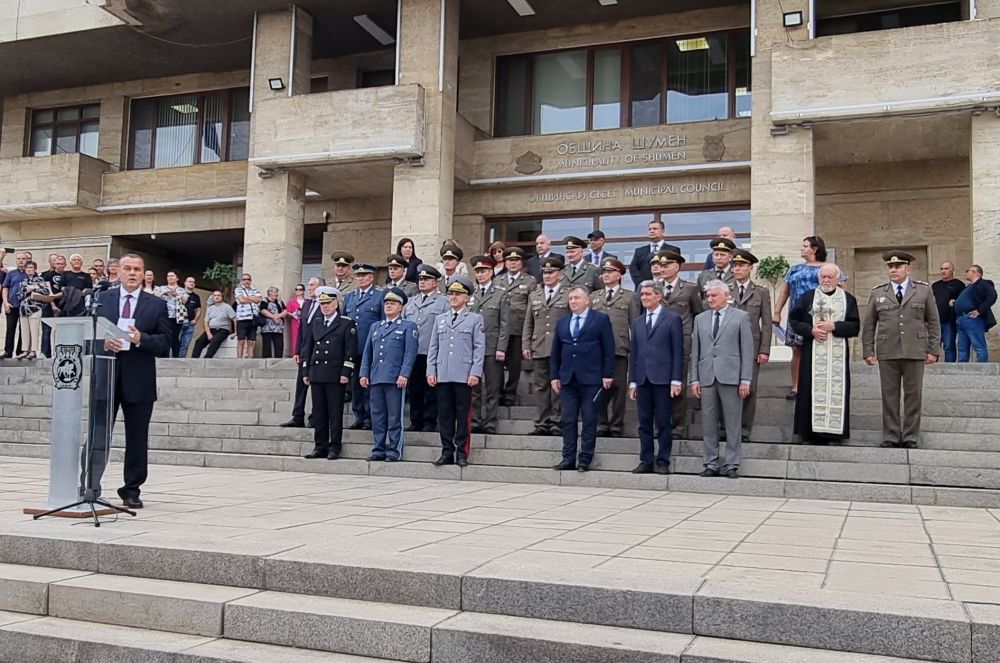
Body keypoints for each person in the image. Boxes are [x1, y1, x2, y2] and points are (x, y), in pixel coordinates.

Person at [94, 253, 172, 508]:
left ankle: (131, 489)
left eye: (137, 269)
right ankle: (90, 486)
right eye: (127, 268)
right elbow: (85, 332)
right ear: (118, 271)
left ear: (143, 273)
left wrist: (141, 339)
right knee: (97, 434)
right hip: (106, 376)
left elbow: (165, 342)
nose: (132, 273)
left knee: (137, 438)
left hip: (139, 380)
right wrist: (102, 342)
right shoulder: (101, 299)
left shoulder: (156, 304)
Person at [862, 251, 941, 449]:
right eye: (890, 267)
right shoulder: (879, 292)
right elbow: (870, 324)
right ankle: (891, 434)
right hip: (888, 349)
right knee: (889, 395)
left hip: (915, 349)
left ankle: (911, 436)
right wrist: (868, 350)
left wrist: (933, 350)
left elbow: (933, 321)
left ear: (908, 269)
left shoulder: (923, 291)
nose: (893, 270)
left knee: (913, 395)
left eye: (897, 267)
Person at [790, 263, 860, 445]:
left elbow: (855, 326)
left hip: (836, 356)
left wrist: (835, 326)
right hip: (812, 352)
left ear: (838, 278)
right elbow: (794, 320)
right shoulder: (807, 298)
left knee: (836, 391)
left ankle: (833, 434)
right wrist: (810, 330)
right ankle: (809, 433)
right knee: (809, 390)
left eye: (830, 277)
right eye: (823, 277)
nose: (826, 280)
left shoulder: (848, 299)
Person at [690, 280, 754, 479]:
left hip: (731, 376)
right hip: (707, 375)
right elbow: (696, 351)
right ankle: (710, 462)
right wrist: (694, 379)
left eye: (714, 296)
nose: (710, 300)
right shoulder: (700, 319)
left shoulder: (741, 317)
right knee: (708, 422)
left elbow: (747, 349)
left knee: (733, 422)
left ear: (726, 296)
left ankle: (732, 464)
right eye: (708, 296)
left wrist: (745, 379)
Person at [550, 286, 615, 472]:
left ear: (587, 300)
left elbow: (609, 349)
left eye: (577, 298)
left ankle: (585, 458)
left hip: (591, 378)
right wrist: (554, 375)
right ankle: (568, 458)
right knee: (568, 419)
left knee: (589, 419)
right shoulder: (562, 322)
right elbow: (556, 351)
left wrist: (607, 374)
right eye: (570, 298)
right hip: (568, 378)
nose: (573, 301)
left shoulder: (600, 319)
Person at [427, 276, 485, 467]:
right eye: (451, 293)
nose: (453, 297)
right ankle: (446, 451)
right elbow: (433, 347)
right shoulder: (440, 319)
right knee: (444, 415)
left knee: (462, 416)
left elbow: (479, 348)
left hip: (463, 374)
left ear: (466, 297)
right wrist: (431, 371)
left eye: (458, 294)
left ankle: (462, 452)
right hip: (443, 373)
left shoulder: (475, 319)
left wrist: (475, 372)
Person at [629, 281, 684, 474]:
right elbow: (634, 353)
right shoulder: (637, 322)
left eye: (648, 294)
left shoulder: (672, 319)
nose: (644, 297)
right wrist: (633, 381)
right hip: (643, 378)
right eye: (642, 294)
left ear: (658, 296)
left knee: (663, 421)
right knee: (644, 423)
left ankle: (662, 460)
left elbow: (678, 351)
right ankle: (645, 459)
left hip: (663, 379)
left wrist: (676, 379)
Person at [360, 287, 418, 462]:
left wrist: (404, 374)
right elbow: (367, 352)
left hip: (394, 378)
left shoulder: (408, 327)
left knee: (394, 417)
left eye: (393, 303)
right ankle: (378, 448)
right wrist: (364, 373)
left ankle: (394, 450)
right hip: (376, 376)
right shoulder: (376, 327)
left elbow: (410, 353)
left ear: (401, 307)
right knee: (377, 416)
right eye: (386, 303)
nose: (389, 306)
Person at [773, 236, 834, 401]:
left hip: (820, 316)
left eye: (805, 246)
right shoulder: (794, 269)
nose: (801, 248)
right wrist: (777, 311)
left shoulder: (829, 268)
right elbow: (785, 291)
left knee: (821, 351)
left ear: (814, 249)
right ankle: (796, 386)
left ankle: (821, 386)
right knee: (797, 351)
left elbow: (841, 290)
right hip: (797, 316)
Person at [301, 286, 357, 460]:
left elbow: (350, 351)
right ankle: (320, 446)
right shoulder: (316, 322)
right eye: (322, 303)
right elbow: (308, 347)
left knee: (334, 413)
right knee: (319, 412)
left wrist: (346, 372)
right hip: (317, 373)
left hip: (335, 374)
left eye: (328, 303)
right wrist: (305, 370)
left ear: (336, 303)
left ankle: (334, 446)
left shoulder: (346, 323)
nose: (325, 306)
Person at [589, 257, 639, 437]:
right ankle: (602, 423)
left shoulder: (629, 296)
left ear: (619, 275)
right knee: (598, 387)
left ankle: (617, 424)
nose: (606, 275)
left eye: (610, 272)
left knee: (618, 388)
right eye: (604, 272)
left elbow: (635, 324)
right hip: (596, 351)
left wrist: (634, 348)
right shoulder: (594, 297)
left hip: (619, 348)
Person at [522, 256, 570, 436]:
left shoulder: (567, 294)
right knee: (541, 387)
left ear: (560, 274)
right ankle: (542, 422)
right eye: (545, 273)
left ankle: (557, 421)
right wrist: (526, 344)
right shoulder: (535, 295)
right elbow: (528, 323)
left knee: (557, 386)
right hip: (539, 346)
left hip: (560, 348)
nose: (548, 276)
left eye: (551, 273)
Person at [730, 250, 772, 443]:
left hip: (752, 347)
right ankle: (726, 427)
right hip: (728, 347)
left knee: (750, 388)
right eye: (735, 265)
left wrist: (764, 349)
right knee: (728, 387)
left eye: (741, 265)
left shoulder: (761, 292)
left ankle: (745, 429)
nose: (737, 269)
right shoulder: (726, 290)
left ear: (750, 268)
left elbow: (767, 323)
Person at [660, 250, 703, 436]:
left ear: (677, 267)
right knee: (659, 383)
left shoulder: (690, 288)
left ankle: (677, 425)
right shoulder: (654, 287)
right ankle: (661, 423)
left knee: (678, 382)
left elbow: (698, 313)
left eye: (667, 265)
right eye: (661, 266)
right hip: (658, 341)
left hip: (681, 340)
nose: (663, 269)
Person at [403, 265, 449, 432]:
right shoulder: (411, 302)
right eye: (420, 279)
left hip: (432, 351)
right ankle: (416, 420)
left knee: (431, 388)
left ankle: (430, 420)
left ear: (435, 282)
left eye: (426, 279)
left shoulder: (443, 302)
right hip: (413, 352)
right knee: (414, 388)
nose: (422, 282)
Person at [343, 263, 385, 429]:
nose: (359, 279)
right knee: (355, 384)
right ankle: (358, 415)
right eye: (357, 276)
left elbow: (382, 322)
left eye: (363, 276)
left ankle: (369, 417)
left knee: (368, 382)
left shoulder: (379, 296)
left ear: (371, 278)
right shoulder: (350, 297)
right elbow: (344, 322)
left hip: (371, 347)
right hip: (353, 347)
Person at [469, 255, 507, 435]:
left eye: (483, 271)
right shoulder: (472, 295)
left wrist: (501, 347)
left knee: (492, 388)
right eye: (477, 271)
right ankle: (475, 421)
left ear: (491, 272)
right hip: (473, 349)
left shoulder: (500, 294)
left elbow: (505, 324)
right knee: (474, 389)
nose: (480, 274)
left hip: (492, 347)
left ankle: (491, 422)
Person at [281, 276, 325, 427]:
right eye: (309, 284)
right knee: (301, 385)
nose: (309, 287)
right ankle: (297, 416)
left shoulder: (326, 305)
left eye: (312, 284)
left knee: (316, 386)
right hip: (305, 350)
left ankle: (315, 417)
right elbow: (300, 329)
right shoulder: (306, 304)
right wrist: (296, 351)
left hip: (319, 352)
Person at [495, 247, 536, 407]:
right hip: (499, 329)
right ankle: (497, 392)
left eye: (516, 260)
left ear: (521, 262)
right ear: (505, 262)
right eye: (510, 261)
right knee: (497, 363)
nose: (512, 264)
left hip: (518, 328)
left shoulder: (530, 281)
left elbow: (531, 307)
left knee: (514, 364)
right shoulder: (497, 280)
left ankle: (510, 393)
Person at [954, 264, 997, 362]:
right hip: (961, 319)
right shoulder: (969, 286)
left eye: (968, 270)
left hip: (972, 319)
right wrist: (956, 302)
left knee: (978, 346)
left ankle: (982, 371)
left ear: (976, 272)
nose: (966, 272)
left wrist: (979, 310)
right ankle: (961, 372)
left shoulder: (984, 283)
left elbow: (992, 296)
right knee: (962, 348)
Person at [628, 219, 681, 287]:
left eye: (655, 229)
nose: (652, 231)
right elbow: (633, 269)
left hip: (666, 288)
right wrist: (644, 284)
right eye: (650, 229)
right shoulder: (639, 251)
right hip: (644, 290)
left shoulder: (672, 250)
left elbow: (674, 268)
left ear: (663, 231)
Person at [931, 261, 965, 362]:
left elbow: (964, 301)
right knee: (933, 346)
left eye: (946, 269)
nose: (943, 271)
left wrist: (956, 301)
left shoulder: (959, 284)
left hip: (950, 320)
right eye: (941, 269)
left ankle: (949, 368)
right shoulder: (935, 285)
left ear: (953, 270)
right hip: (936, 320)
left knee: (949, 345)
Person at [16, 261, 49, 360]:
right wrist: (26, 290)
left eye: (31, 268)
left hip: (35, 308)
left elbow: (46, 291)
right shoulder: (23, 281)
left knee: (34, 330)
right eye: (27, 268)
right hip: (24, 309)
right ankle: (25, 350)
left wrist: (35, 288)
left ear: (35, 269)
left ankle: (33, 350)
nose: (29, 270)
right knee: (25, 330)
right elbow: (19, 295)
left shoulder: (40, 279)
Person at [191, 290, 236, 358]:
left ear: (222, 297)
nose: (216, 297)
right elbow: (206, 322)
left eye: (218, 295)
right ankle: (194, 360)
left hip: (223, 330)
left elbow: (235, 319)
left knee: (215, 341)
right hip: (211, 329)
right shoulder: (210, 308)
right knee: (199, 342)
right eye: (215, 295)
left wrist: (235, 332)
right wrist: (208, 333)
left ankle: (206, 359)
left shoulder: (227, 307)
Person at [154, 271, 189, 358]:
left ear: (177, 278)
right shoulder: (161, 288)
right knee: (164, 335)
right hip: (164, 316)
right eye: (168, 276)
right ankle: (163, 356)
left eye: (172, 276)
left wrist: (176, 294)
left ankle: (176, 356)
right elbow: (154, 298)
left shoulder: (182, 290)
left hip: (176, 317)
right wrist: (163, 293)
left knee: (175, 336)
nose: (170, 278)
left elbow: (185, 300)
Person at [2, 251, 29, 358]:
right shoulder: (11, 273)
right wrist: (5, 302)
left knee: (23, 330)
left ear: (27, 260)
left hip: (26, 307)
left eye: (23, 258)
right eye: (19, 259)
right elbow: (5, 288)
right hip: (12, 305)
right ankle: (8, 352)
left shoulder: (30, 273)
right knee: (10, 329)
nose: (21, 260)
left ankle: (20, 352)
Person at [696, 238, 737, 303]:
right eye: (716, 255)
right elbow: (697, 300)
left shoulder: (736, 275)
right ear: (712, 257)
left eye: (722, 255)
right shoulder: (703, 276)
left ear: (730, 257)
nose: (718, 258)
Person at [233, 273, 262, 359]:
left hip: (253, 318)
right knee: (241, 340)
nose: (246, 281)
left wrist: (247, 298)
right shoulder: (238, 289)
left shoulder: (255, 290)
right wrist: (253, 299)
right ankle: (239, 359)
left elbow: (259, 300)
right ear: (242, 281)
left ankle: (250, 358)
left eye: (248, 279)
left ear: (251, 280)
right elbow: (241, 300)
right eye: (244, 279)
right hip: (242, 318)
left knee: (251, 341)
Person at [259, 287, 287, 358]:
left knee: (279, 346)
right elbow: (262, 310)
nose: (276, 294)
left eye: (277, 292)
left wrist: (278, 316)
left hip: (278, 328)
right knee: (267, 346)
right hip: (267, 328)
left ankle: (278, 361)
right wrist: (273, 317)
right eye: (275, 292)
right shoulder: (264, 301)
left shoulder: (280, 302)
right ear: (269, 293)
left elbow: (285, 311)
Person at [177, 277, 202, 358]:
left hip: (190, 324)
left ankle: (181, 361)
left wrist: (195, 320)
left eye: (193, 282)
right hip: (178, 322)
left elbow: (198, 310)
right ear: (185, 283)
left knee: (185, 344)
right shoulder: (178, 292)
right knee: (175, 342)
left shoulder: (196, 297)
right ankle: (172, 360)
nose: (192, 283)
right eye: (190, 281)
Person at [287, 283, 307, 356]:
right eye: (296, 289)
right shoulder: (292, 301)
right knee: (295, 338)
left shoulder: (307, 301)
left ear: (303, 291)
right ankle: (295, 354)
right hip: (295, 322)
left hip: (305, 322)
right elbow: (287, 311)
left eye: (300, 289)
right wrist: (293, 314)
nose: (298, 291)